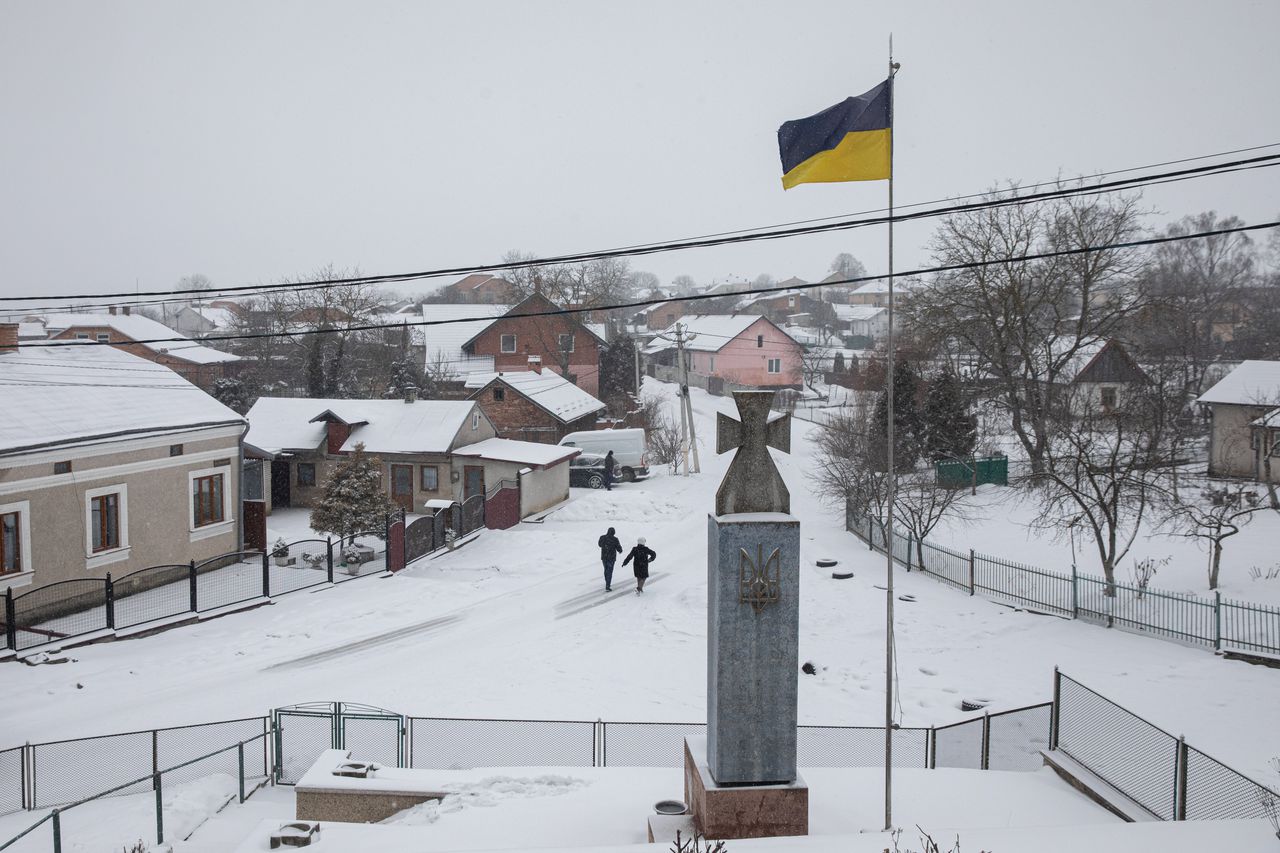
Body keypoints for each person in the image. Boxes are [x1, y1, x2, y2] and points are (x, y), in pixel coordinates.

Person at [598, 526, 623, 592]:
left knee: (606, 569)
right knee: (609, 570)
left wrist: (605, 544)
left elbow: (599, 545)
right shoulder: (615, 539)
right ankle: (608, 584)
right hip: (611, 558)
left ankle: (607, 582)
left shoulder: (602, 537)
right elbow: (618, 547)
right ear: (614, 532)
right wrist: (620, 550)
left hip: (604, 557)